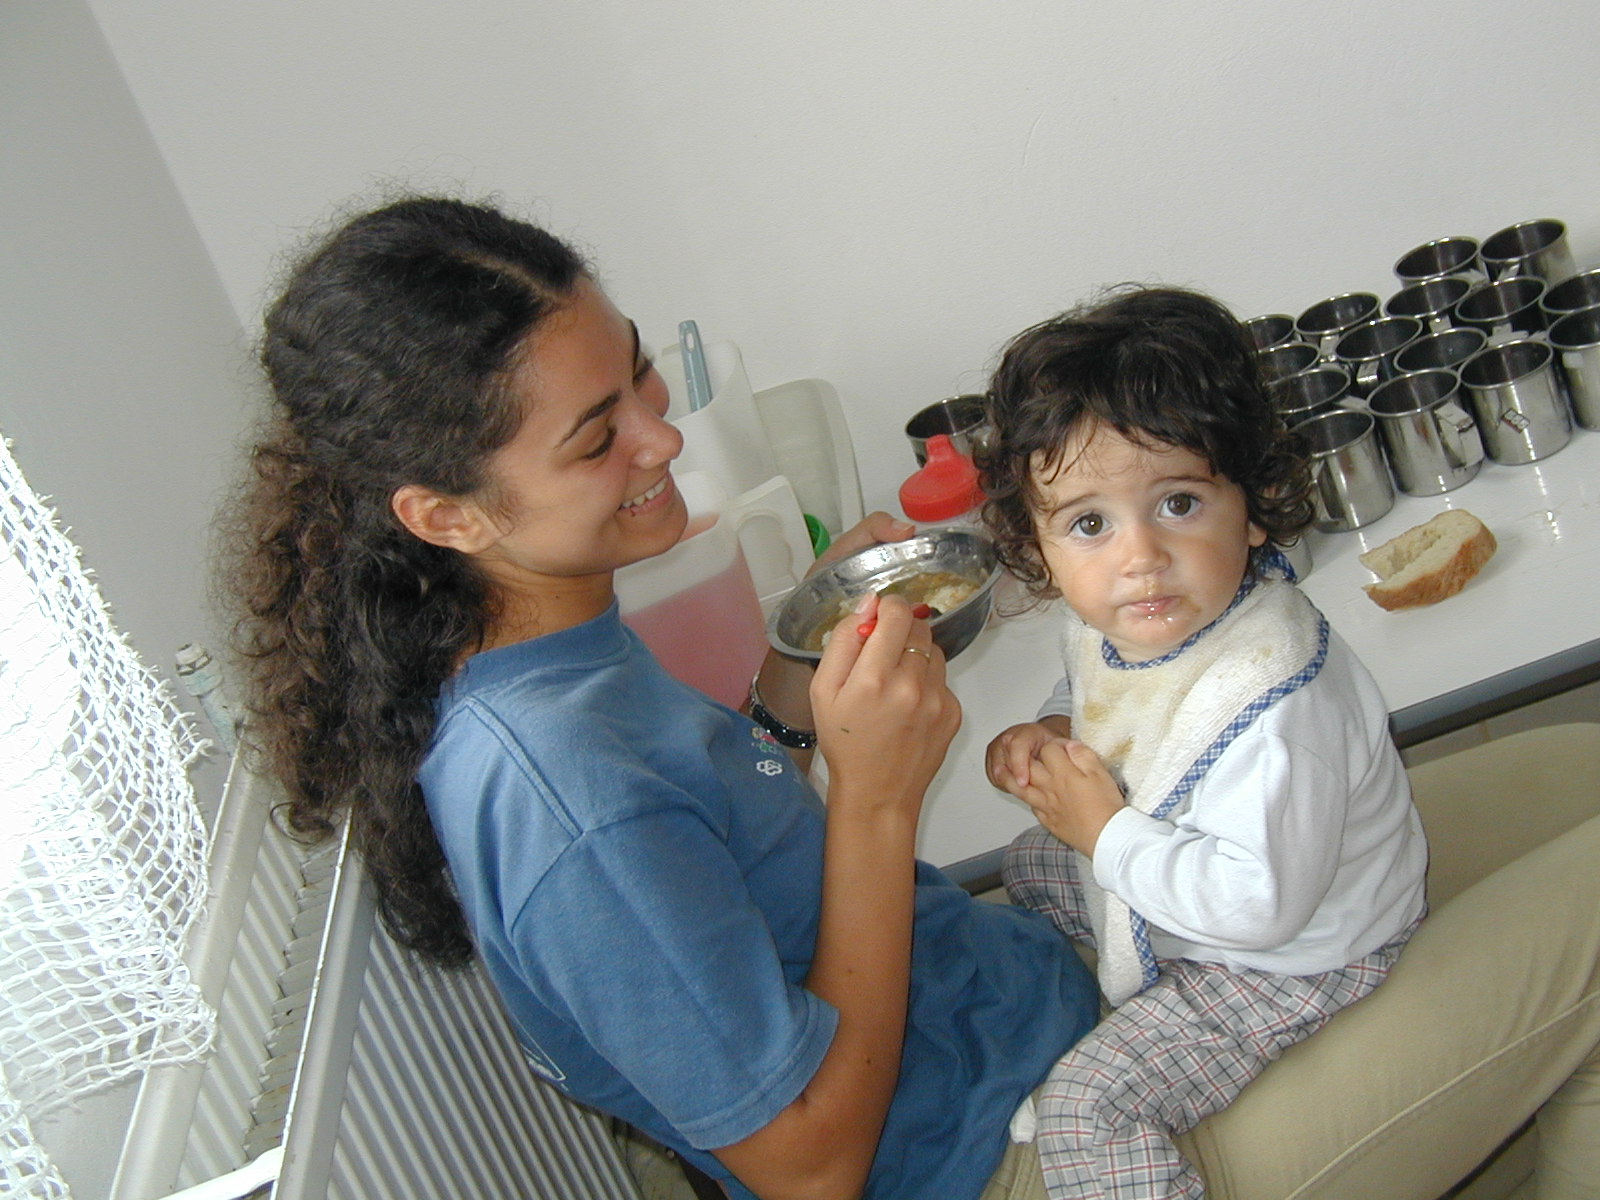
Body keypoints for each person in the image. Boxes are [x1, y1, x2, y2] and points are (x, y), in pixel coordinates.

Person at [222, 194, 1101, 1200]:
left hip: (1005, 1013)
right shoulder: (563, 797)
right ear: (446, 515)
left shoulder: (552, 646)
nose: (663, 437)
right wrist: (879, 798)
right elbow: (810, 1169)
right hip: (997, 1151)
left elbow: (727, 845)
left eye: (636, 372)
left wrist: (782, 705)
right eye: (597, 439)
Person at [976, 287, 1428, 1199]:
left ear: (1253, 508)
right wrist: (1053, 730)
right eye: (1090, 523)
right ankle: (1117, 980)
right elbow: (1105, 683)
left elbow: (1258, 907)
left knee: (1086, 1109)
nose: (1137, 555)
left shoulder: (1273, 708)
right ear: (1042, 543)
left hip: (1291, 950)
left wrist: (1105, 835)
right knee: (1028, 867)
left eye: (1178, 502)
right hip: (1195, 875)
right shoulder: (1148, 617)